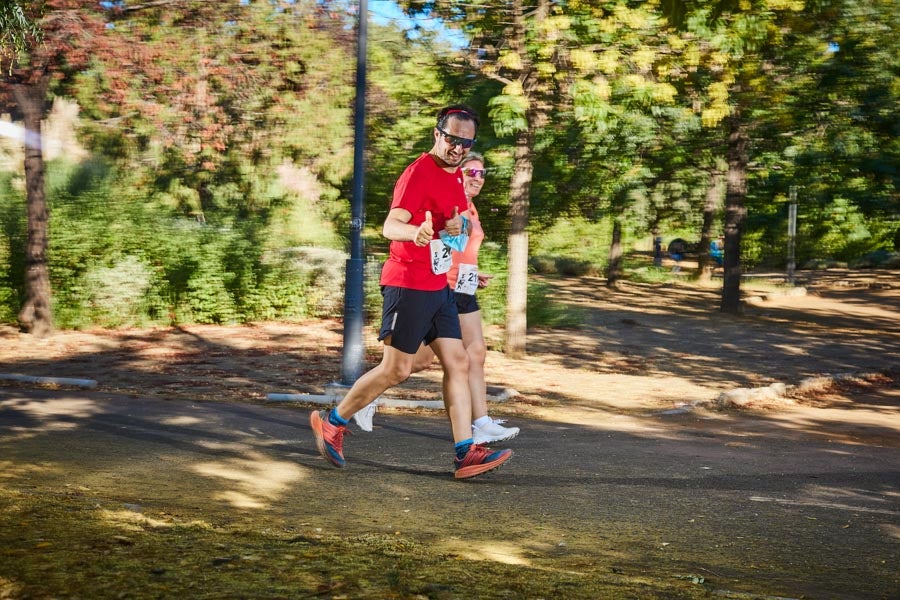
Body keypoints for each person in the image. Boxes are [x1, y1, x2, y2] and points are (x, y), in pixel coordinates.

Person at [309, 105, 512, 480]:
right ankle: (333, 422)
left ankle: (465, 452)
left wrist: (453, 229)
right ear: (437, 134)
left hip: (439, 286)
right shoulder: (417, 173)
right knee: (397, 369)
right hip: (407, 284)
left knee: (458, 361)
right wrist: (414, 232)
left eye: (466, 143)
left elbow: (450, 230)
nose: (458, 148)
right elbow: (391, 225)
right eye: (452, 139)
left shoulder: (456, 176)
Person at [353, 153, 521, 444]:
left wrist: (473, 273)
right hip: (443, 286)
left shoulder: (470, 209)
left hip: (464, 285)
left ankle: (480, 424)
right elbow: (439, 242)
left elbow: (462, 250)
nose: (477, 178)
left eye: (482, 173)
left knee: (473, 353)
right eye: (471, 172)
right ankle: (365, 397)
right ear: (458, 174)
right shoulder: (450, 205)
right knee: (414, 363)